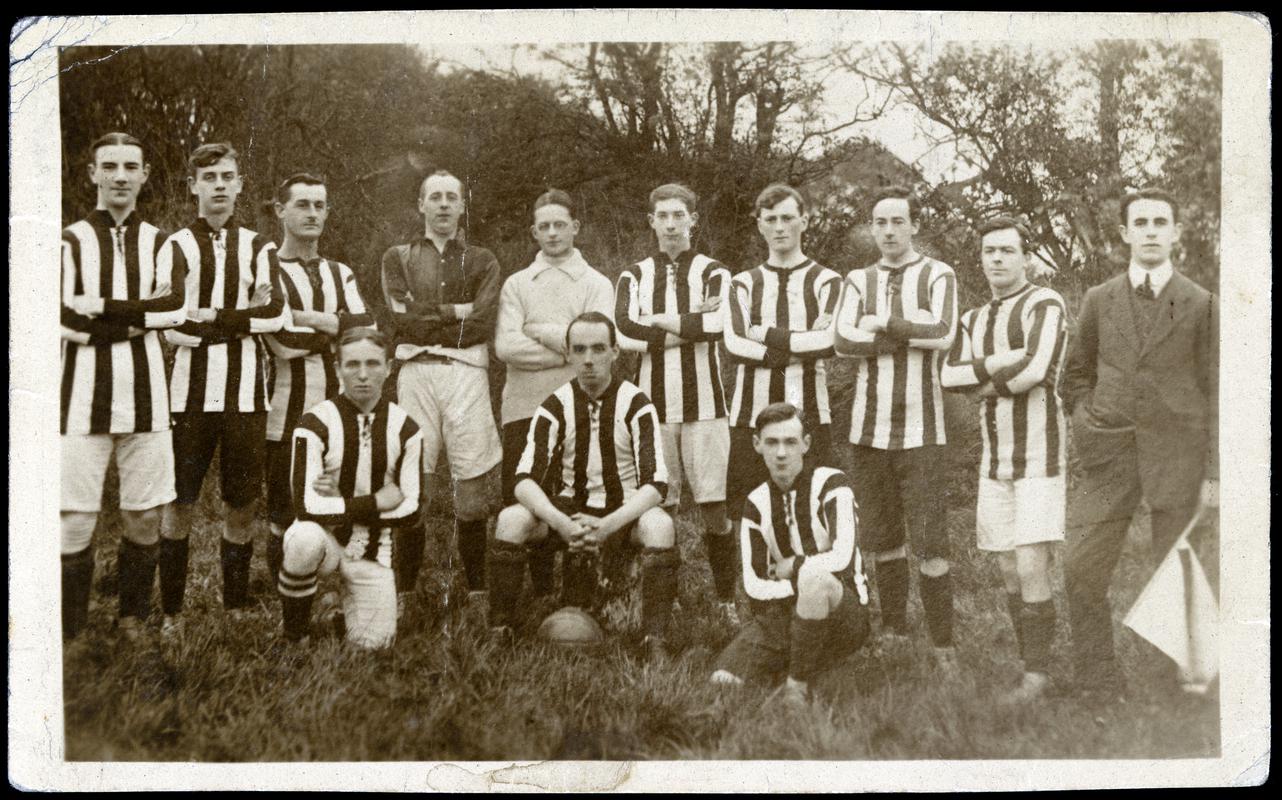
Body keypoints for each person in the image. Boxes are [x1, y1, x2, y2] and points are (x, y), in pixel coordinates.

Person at [1060, 188, 1219, 699]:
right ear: (1125, 233)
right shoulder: (1099, 299)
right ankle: (1097, 680)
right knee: (1081, 566)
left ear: (1176, 232)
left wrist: (1214, 472)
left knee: (1176, 567)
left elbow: (1217, 391)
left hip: (1177, 455)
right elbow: (1075, 374)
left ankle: (1173, 682)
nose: (1151, 231)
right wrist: (1086, 422)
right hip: (1109, 451)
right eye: (1141, 223)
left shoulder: (1200, 303)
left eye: (1160, 222)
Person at [486, 312, 679, 662]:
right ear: (568, 353)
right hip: (569, 512)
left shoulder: (636, 403)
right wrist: (562, 523)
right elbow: (523, 480)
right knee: (511, 520)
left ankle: (655, 639)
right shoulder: (554, 405)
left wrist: (607, 525)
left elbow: (656, 484)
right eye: (579, 349)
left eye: (598, 348)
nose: (588, 360)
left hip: (621, 513)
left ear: (615, 351)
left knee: (660, 525)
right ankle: (501, 630)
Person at [60, 131, 187, 643]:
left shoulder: (160, 242)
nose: (119, 176)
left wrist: (103, 308)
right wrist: (139, 318)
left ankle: (132, 619)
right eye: (109, 166)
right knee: (74, 518)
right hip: (80, 400)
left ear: (144, 175)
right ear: (92, 173)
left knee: (144, 515)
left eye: (130, 167)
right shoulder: (68, 241)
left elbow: (175, 309)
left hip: (147, 399)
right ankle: (70, 631)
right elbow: (64, 319)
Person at [159, 143, 286, 633]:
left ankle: (234, 607)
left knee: (242, 502)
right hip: (188, 394)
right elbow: (172, 321)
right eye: (208, 177)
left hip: (245, 394)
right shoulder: (176, 246)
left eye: (226, 176)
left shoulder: (259, 246)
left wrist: (212, 315)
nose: (218, 185)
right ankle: (172, 613)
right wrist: (242, 317)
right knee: (179, 501)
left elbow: (275, 315)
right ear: (193, 185)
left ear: (239, 185)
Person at [941, 217, 1068, 703]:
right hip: (994, 462)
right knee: (1010, 569)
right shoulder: (973, 319)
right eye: (989, 251)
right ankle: (1030, 662)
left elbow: (1036, 369)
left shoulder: (1045, 302)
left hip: (1040, 455)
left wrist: (982, 385)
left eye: (1007, 250)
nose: (996, 259)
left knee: (1032, 564)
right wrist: (998, 363)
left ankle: (1037, 677)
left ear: (1026, 257)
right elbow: (948, 376)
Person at [833, 184, 959, 665]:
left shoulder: (938, 273)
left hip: (923, 431)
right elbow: (841, 340)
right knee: (884, 539)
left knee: (931, 542)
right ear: (872, 227)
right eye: (880, 222)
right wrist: (902, 333)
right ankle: (895, 632)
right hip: (869, 431)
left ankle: (944, 646)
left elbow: (943, 332)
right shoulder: (857, 278)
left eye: (898, 222)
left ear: (914, 225)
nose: (888, 231)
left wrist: (881, 321)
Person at [381, 170, 502, 612]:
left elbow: (482, 323)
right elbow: (402, 321)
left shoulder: (483, 259)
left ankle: (478, 593)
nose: (444, 204)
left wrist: (430, 316)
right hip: (416, 374)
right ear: (421, 205)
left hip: (466, 375)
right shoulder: (398, 257)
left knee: (471, 497)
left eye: (452, 197)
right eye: (435, 197)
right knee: (414, 488)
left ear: (463, 205)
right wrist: (456, 311)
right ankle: (404, 595)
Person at [615, 183, 736, 620]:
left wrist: (657, 321)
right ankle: (666, 597)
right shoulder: (634, 275)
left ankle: (726, 600)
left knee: (715, 506)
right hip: (653, 408)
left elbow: (719, 324)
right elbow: (624, 330)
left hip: (707, 406)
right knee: (659, 506)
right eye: (662, 216)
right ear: (651, 222)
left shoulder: (714, 271)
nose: (670, 224)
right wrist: (689, 324)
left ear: (693, 220)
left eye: (678, 215)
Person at [494, 189, 614, 599]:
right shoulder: (517, 283)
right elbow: (506, 346)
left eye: (559, 224)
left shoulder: (596, 283)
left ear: (575, 227)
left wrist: (541, 332)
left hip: (580, 407)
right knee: (527, 500)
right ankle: (540, 593)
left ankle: (579, 596)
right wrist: (571, 350)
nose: (552, 233)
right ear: (533, 232)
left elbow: (599, 343)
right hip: (524, 406)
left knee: (579, 496)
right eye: (543, 226)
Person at [709, 403, 871, 705]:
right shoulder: (756, 503)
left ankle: (796, 688)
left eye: (790, 442)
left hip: (843, 613)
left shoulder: (832, 483)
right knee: (723, 680)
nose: (781, 453)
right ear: (757, 444)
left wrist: (795, 565)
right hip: (784, 615)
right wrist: (798, 587)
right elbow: (754, 584)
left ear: (806, 444)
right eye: (772, 442)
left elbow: (843, 557)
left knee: (815, 580)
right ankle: (806, 665)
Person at [278, 327, 423, 649]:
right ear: (337, 368)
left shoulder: (407, 428)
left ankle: (340, 610)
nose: (363, 375)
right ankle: (295, 636)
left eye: (372, 364)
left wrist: (337, 503)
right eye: (352, 364)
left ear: (388, 367)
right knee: (303, 538)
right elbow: (306, 506)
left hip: (372, 552)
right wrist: (376, 501)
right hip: (325, 539)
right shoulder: (313, 423)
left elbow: (411, 509)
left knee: (375, 648)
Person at [262, 173, 373, 585]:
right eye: (302, 204)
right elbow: (283, 342)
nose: (312, 213)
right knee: (283, 512)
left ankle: (333, 588)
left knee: (338, 503)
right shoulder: (267, 268)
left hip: (337, 411)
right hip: (284, 410)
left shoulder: (339, 272)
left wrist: (305, 316)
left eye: (319, 205)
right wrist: (337, 328)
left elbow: (366, 331)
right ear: (280, 210)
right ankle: (286, 594)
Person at [723, 184, 842, 531]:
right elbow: (734, 345)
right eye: (771, 219)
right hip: (749, 416)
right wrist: (800, 345)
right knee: (749, 516)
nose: (779, 227)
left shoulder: (828, 281)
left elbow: (829, 342)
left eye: (787, 218)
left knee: (814, 514)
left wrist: (761, 333)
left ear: (804, 221)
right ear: (759, 224)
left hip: (810, 414)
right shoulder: (742, 283)